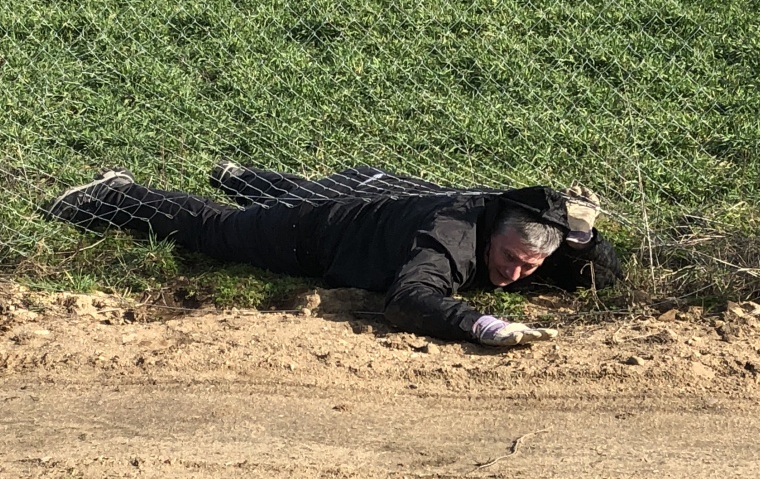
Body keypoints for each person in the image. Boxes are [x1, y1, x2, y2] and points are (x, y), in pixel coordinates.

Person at [45, 162, 622, 346]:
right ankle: (115, 194)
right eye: (511, 257)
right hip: (323, 229)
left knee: (298, 193)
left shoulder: (528, 226)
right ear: (494, 230)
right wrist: (479, 322)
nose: (517, 272)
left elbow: (600, 276)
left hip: (373, 189)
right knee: (218, 234)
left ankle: (244, 176)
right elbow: (407, 299)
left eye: (531, 265)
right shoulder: (450, 239)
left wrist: (586, 241)